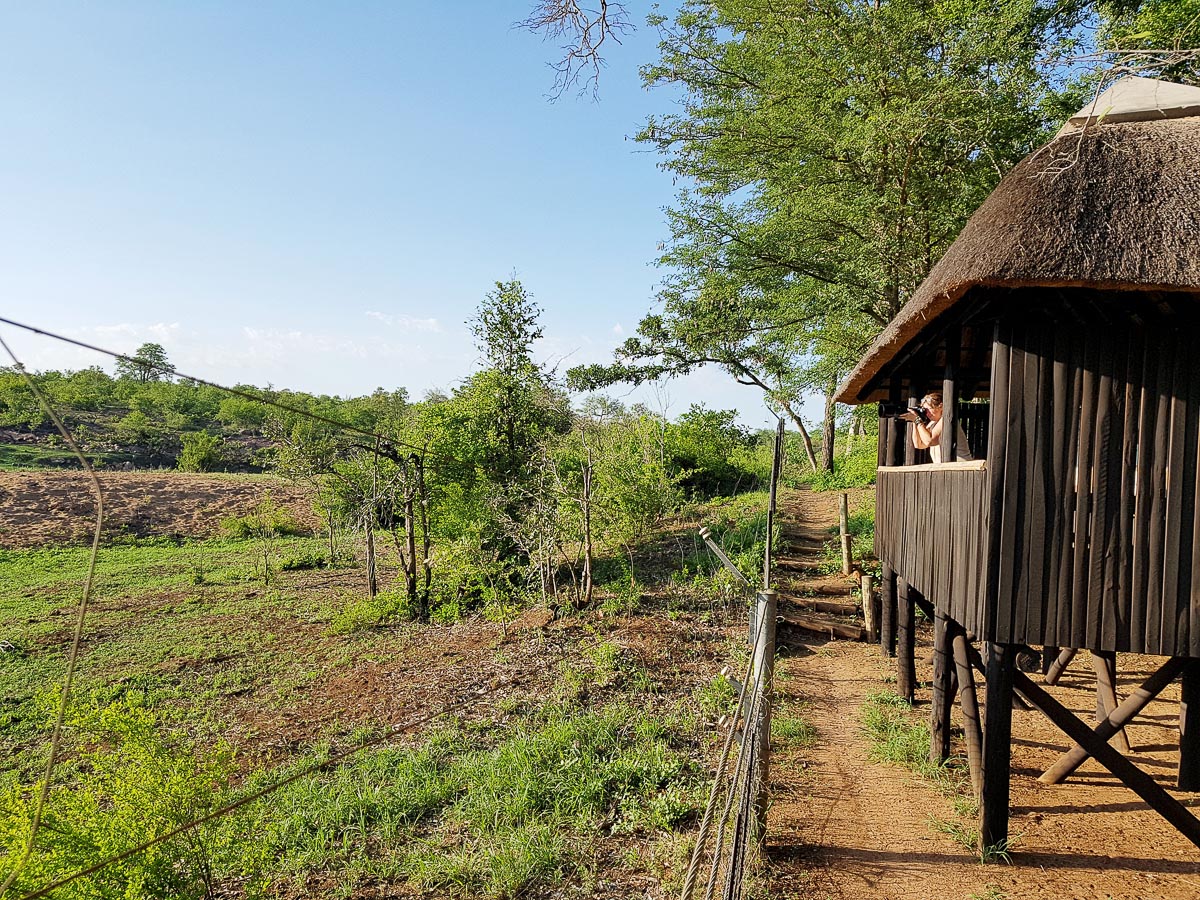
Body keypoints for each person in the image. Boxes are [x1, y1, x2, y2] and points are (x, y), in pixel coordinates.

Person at [899, 391, 974, 463]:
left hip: (961, 467)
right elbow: (919, 444)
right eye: (925, 410)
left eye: (928, 409)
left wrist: (918, 421)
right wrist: (914, 421)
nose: (927, 413)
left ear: (940, 406)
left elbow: (929, 441)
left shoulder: (947, 420)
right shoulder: (932, 424)